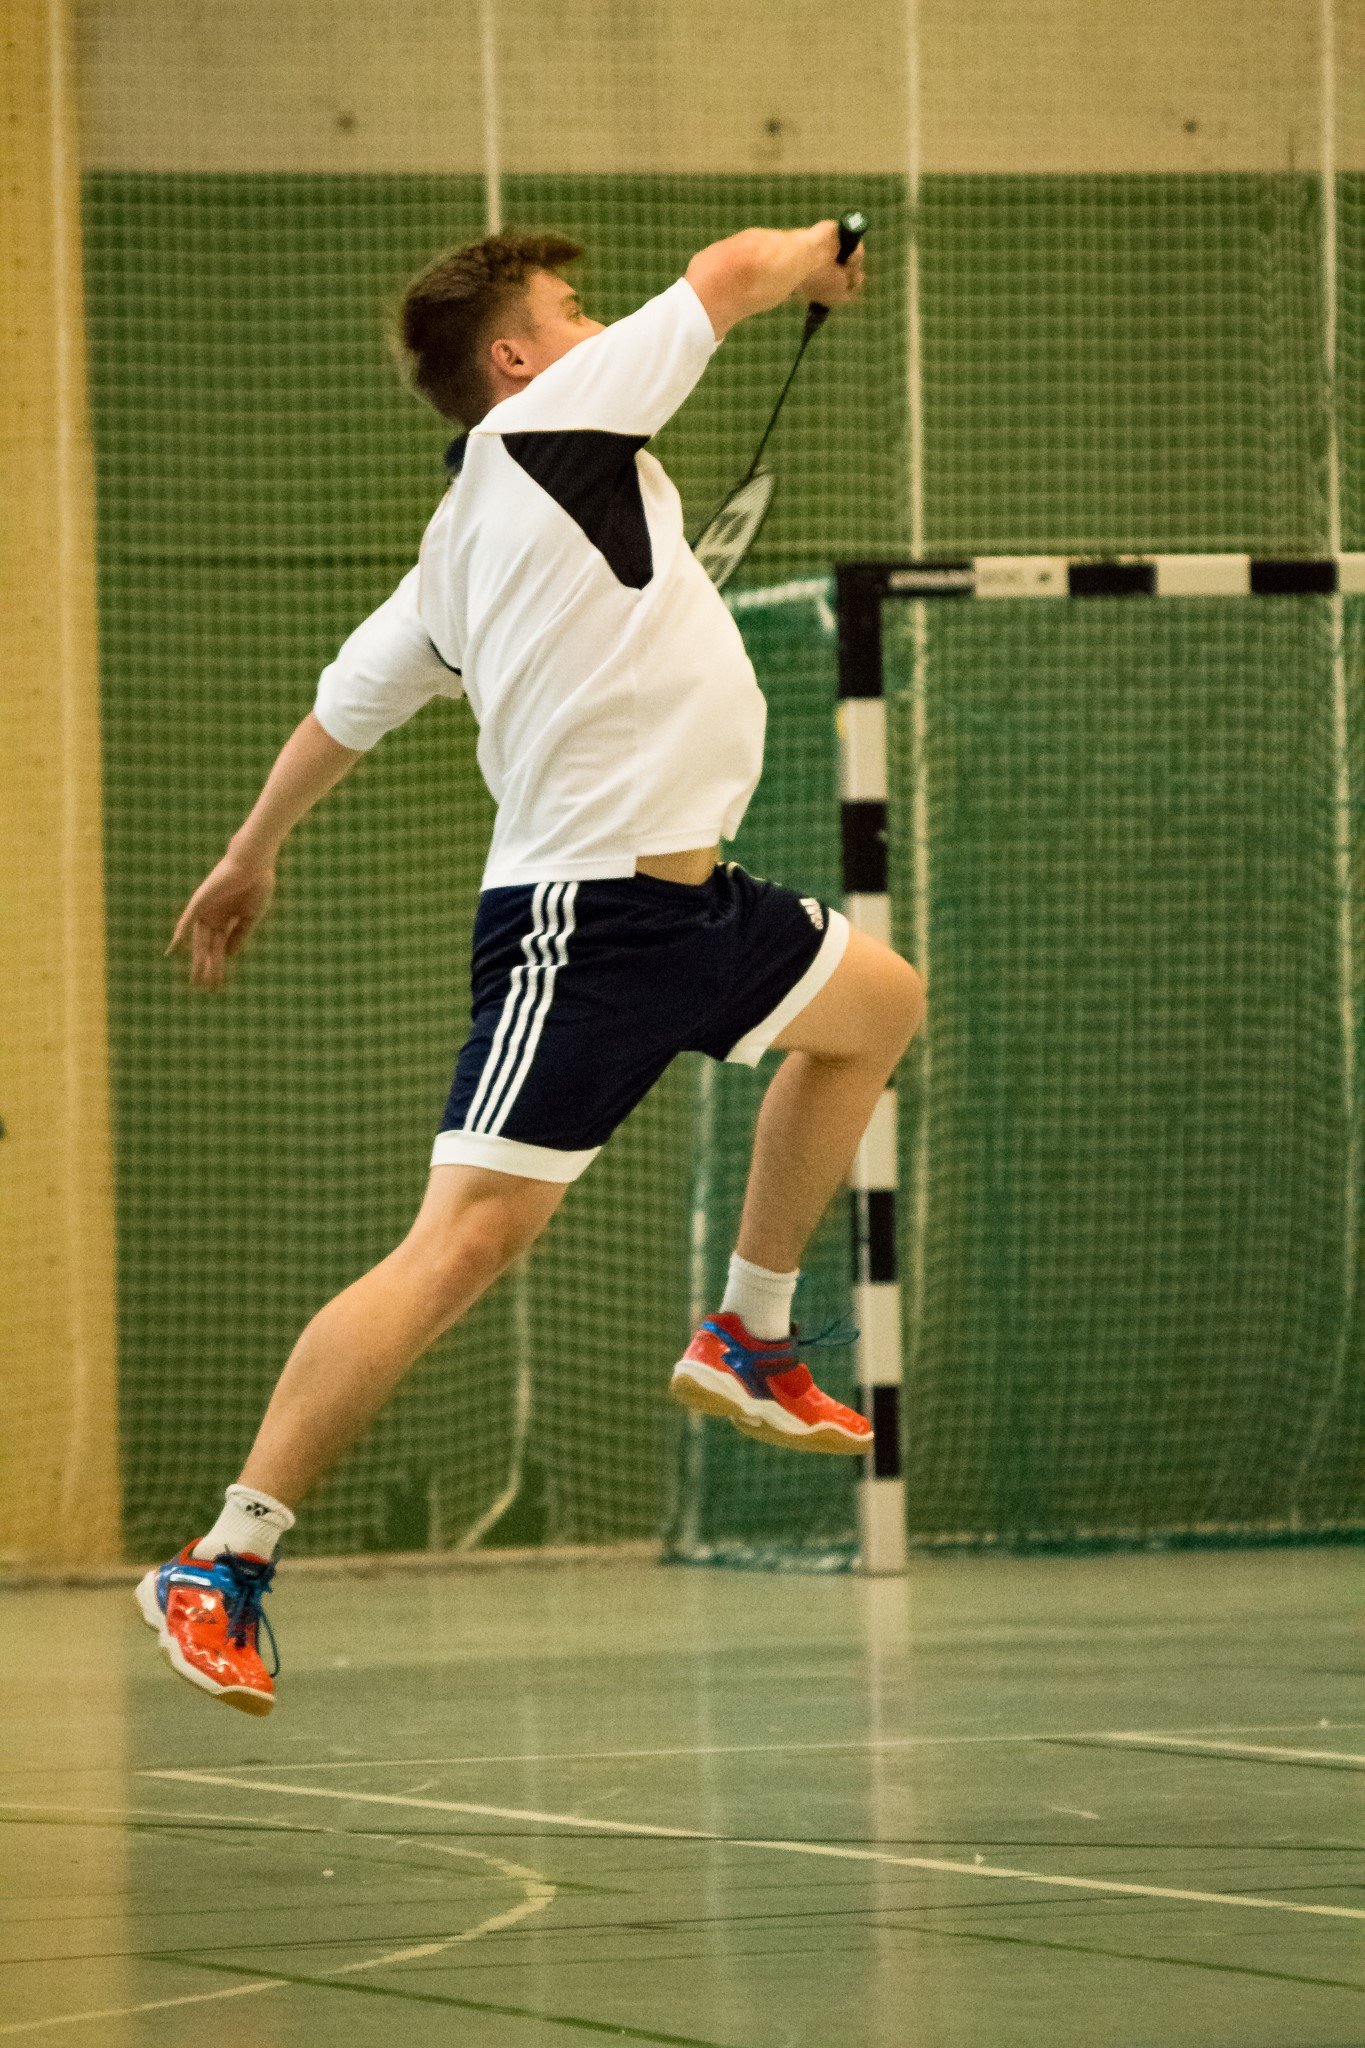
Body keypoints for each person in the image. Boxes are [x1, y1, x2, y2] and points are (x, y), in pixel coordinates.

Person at [136, 220, 926, 1714]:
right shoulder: (550, 425)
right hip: (584, 922)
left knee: (876, 1002)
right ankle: (222, 1561)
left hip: (695, 906)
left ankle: (748, 1331)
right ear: (516, 358)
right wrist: (820, 254)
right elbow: (729, 272)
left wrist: (251, 852)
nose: (598, 324)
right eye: (572, 308)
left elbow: (342, 712)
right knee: (462, 1246)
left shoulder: (471, 536)